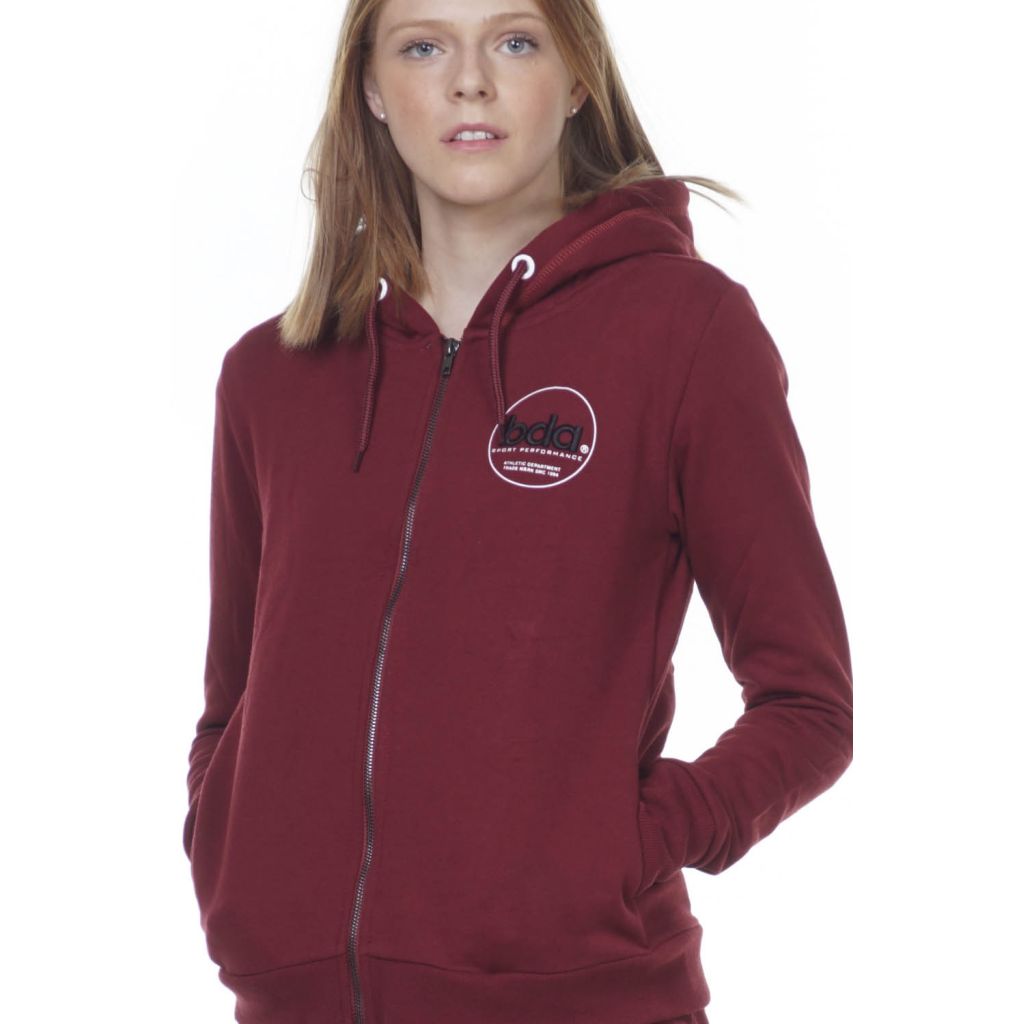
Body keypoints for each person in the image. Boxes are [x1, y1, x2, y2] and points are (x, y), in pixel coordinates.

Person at [181, 0, 854, 1021]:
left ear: (578, 78)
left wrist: (620, 847)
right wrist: (228, 839)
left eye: (514, 40)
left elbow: (808, 703)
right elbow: (232, 701)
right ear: (371, 90)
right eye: (421, 46)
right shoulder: (273, 375)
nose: (469, 81)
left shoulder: (683, 331)